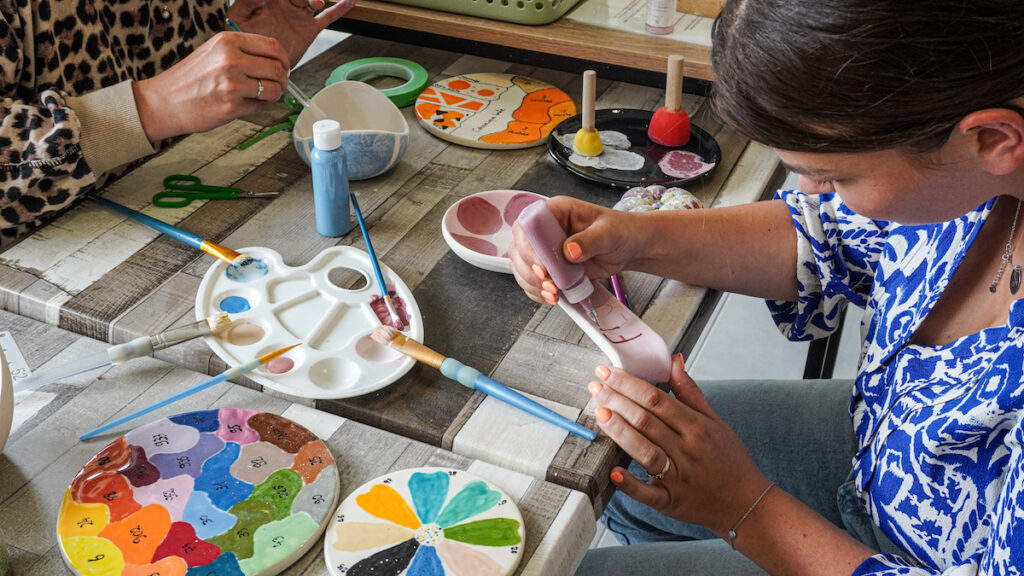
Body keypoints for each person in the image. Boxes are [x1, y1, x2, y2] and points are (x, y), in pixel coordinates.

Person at [508, 0, 1024, 573]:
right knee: (618, 468)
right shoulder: (964, 161)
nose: (810, 190)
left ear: (994, 140)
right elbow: (831, 233)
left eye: (835, 175)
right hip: (885, 444)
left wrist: (743, 508)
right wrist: (634, 236)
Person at [0, 0, 353, 243]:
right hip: (52, 262)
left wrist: (240, 55)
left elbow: (160, 74)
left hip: (153, 205)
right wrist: (151, 107)